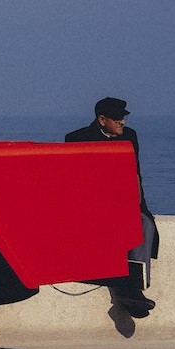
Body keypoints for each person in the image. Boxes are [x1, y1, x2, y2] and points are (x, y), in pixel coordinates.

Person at [65, 97, 160, 318]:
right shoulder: (77, 138)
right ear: (101, 119)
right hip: (93, 205)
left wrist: (135, 206)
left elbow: (134, 174)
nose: (122, 123)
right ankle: (126, 289)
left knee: (145, 225)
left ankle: (134, 287)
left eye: (123, 118)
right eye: (117, 119)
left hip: (125, 201)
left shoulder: (130, 137)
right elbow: (75, 181)